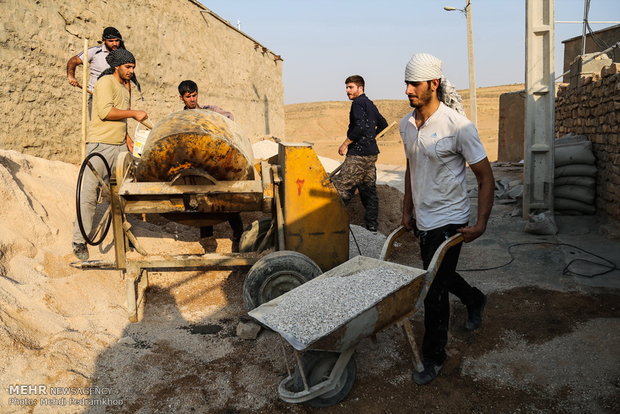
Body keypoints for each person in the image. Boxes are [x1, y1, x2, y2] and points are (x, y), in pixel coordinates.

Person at [399, 53, 494, 385]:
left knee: (433, 290)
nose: (409, 89)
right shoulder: (406, 125)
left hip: (451, 218)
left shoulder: (458, 126)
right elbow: (412, 166)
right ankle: (474, 298)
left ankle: (434, 357)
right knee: (439, 274)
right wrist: (407, 208)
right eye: (407, 83)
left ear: (433, 84)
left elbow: (485, 177)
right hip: (424, 218)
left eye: (415, 84)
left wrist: (480, 223)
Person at [72, 49, 149, 260]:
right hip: (101, 145)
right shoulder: (105, 82)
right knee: (88, 194)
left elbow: (121, 118)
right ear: (117, 67)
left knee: (121, 194)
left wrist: (128, 139)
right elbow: (106, 112)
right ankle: (79, 240)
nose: (131, 71)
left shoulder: (126, 88)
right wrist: (134, 113)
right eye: (128, 67)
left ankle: (122, 238)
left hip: (119, 148)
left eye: (133, 67)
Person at [177, 80, 243, 247]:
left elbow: (229, 117)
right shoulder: (180, 119)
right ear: (181, 98)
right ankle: (208, 242)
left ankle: (238, 237)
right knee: (203, 202)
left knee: (227, 198)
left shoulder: (210, 111)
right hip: (197, 166)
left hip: (215, 163)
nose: (192, 99)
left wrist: (215, 122)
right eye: (188, 97)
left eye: (194, 95)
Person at [331, 75, 387, 232]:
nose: (347, 90)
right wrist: (371, 138)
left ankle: (332, 225)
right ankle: (371, 226)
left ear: (360, 88)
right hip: (371, 154)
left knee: (341, 189)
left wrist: (345, 144)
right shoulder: (369, 104)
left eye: (350, 87)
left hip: (358, 154)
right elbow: (383, 124)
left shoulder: (357, 103)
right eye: (347, 87)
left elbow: (359, 127)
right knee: (368, 189)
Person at [66, 27, 124, 114]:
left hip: (116, 99)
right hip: (96, 97)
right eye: (111, 41)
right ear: (104, 40)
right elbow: (73, 61)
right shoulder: (95, 52)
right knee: (97, 126)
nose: (114, 43)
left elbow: (127, 79)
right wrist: (71, 76)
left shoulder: (123, 55)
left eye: (117, 41)